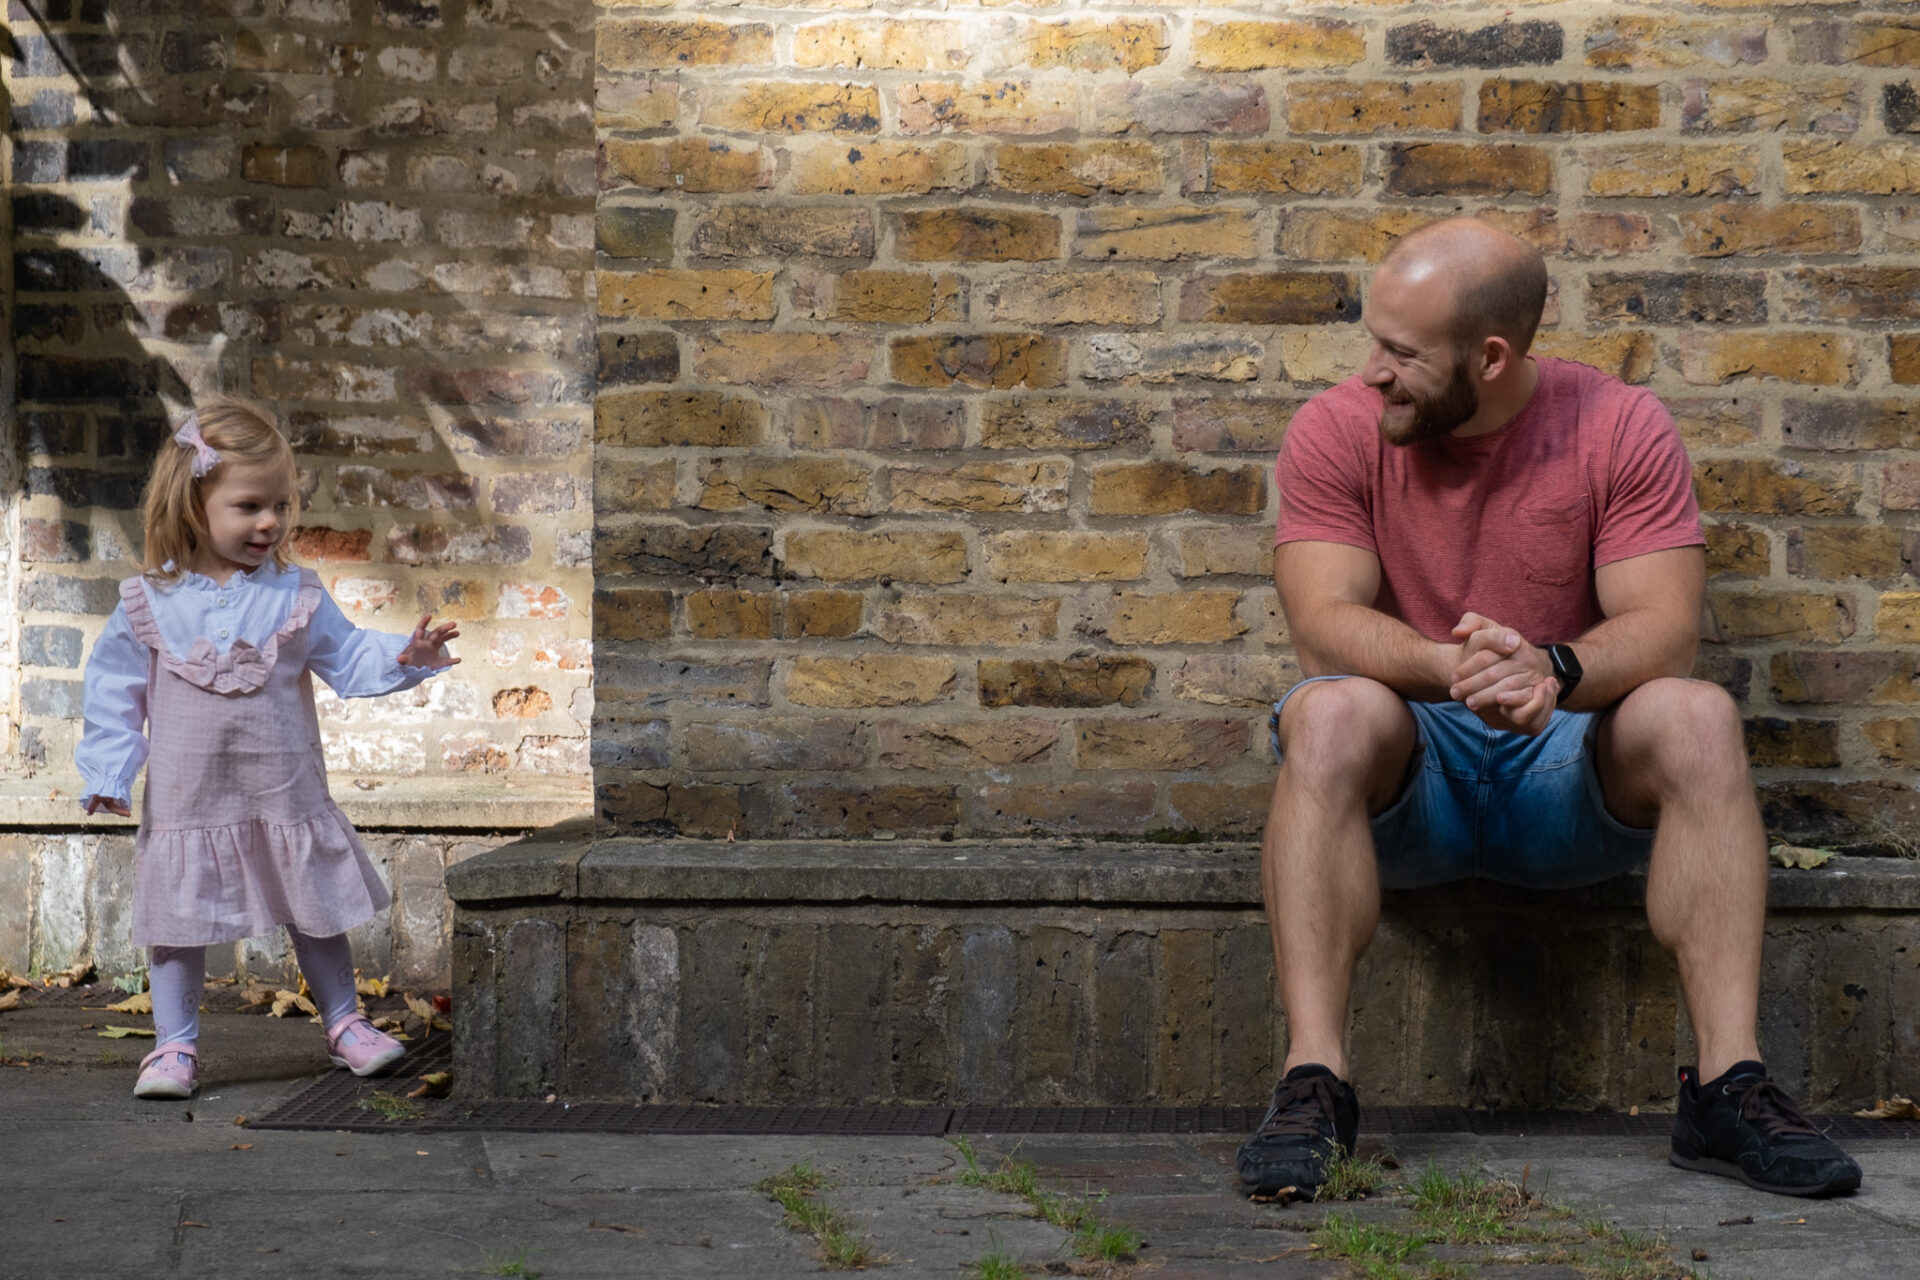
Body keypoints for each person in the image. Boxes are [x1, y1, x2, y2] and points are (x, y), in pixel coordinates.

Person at [1236, 219, 1862, 1200]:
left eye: (1402, 353)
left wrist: (1553, 668)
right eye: (1374, 341)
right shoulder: (1335, 428)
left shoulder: (1618, 425)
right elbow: (1322, 626)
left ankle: (1728, 1087)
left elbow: (1665, 628)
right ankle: (1313, 1083)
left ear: (1490, 358)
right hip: (1419, 773)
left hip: (1565, 768)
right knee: (1323, 711)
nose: (1374, 372)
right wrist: (1458, 667)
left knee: (1697, 713)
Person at [76, 396, 461, 1100]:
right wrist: (109, 770)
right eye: (250, 505)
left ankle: (345, 1022)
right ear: (194, 506)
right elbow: (112, 693)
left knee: (310, 901)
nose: (271, 522)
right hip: (191, 794)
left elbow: (346, 656)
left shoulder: (294, 594)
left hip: (283, 789)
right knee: (178, 918)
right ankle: (174, 1047)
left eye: (281, 506)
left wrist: (408, 653)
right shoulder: (147, 602)